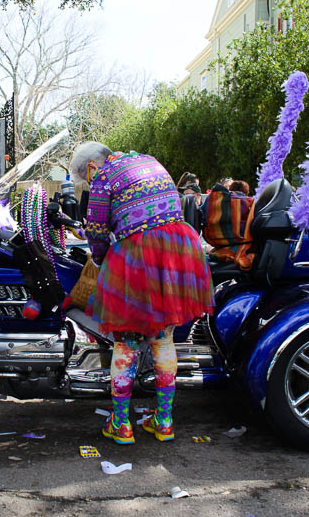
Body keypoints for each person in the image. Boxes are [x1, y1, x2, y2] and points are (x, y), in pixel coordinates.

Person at [69, 142, 214, 445]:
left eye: (86, 180)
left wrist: (98, 259)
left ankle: (121, 424)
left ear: (92, 167)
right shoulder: (149, 160)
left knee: (126, 342)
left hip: (136, 258)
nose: (89, 184)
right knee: (164, 338)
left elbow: (96, 231)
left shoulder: (104, 177)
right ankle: (164, 421)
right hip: (177, 252)